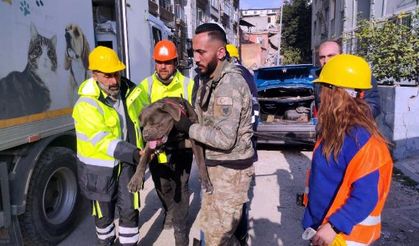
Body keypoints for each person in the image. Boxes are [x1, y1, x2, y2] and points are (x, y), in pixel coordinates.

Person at [174, 23, 255, 245]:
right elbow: (206, 121)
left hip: (229, 172)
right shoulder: (209, 79)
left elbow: (224, 139)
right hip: (215, 168)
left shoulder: (229, 83)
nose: (196, 58)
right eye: (194, 52)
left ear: (220, 52)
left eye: (201, 52)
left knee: (216, 238)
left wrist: (187, 128)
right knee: (211, 230)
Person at [302, 54, 393, 246]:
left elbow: (366, 196)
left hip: (344, 238)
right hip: (322, 229)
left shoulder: (365, 142)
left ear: (338, 93)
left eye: (325, 87)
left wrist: (333, 226)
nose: (320, 94)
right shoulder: (332, 131)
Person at [72, 46, 145, 246]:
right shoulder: (86, 105)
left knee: (130, 211)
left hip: (127, 166)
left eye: (116, 74)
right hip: (100, 171)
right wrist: (135, 153)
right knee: (104, 219)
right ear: (94, 75)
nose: (114, 81)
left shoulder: (130, 92)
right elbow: (101, 140)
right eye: (107, 76)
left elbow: (144, 119)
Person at [138, 39, 195, 246]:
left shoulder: (188, 85)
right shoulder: (146, 86)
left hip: (182, 149)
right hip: (156, 149)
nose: (163, 66)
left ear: (175, 62)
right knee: (162, 186)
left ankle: (180, 229)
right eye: (159, 62)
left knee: (181, 186)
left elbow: (196, 117)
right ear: (155, 63)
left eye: (168, 62)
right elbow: (138, 119)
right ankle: (169, 210)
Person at [226, 43, 259, 245]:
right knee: (238, 198)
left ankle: (238, 237)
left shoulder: (238, 76)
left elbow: (251, 115)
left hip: (237, 152)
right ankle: (239, 236)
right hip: (242, 150)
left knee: (236, 198)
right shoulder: (246, 75)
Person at [314, 40, 381, 118]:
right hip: (328, 128)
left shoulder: (359, 74)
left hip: (356, 126)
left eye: (331, 56)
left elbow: (373, 107)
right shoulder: (319, 78)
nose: (326, 61)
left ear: (341, 56)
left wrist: (347, 114)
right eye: (322, 57)